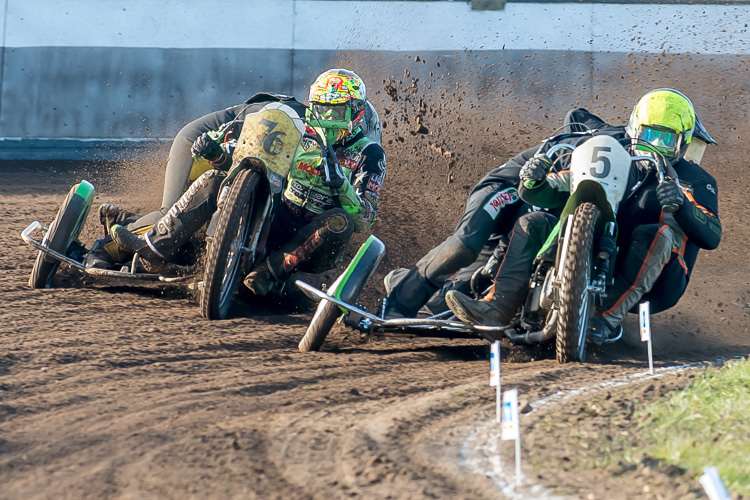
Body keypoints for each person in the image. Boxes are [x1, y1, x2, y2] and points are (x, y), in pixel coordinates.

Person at [446, 89, 722, 344]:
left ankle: (605, 320)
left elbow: (712, 235)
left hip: (659, 280)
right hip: (597, 243)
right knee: (533, 222)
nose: (657, 146)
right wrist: (533, 181)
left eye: (668, 140)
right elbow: (560, 184)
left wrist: (682, 206)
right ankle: (498, 306)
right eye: (651, 136)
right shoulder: (613, 155)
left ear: (684, 142)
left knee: (658, 234)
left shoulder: (696, 180)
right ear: (636, 129)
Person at [89, 69, 386, 297]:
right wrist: (218, 155)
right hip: (278, 213)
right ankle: (154, 248)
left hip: (308, 241)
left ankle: (268, 274)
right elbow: (251, 161)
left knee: (339, 222)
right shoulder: (299, 130)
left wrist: (342, 187)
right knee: (215, 179)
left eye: (335, 112)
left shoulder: (369, 153)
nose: (326, 118)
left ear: (356, 112)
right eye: (320, 109)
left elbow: (365, 220)